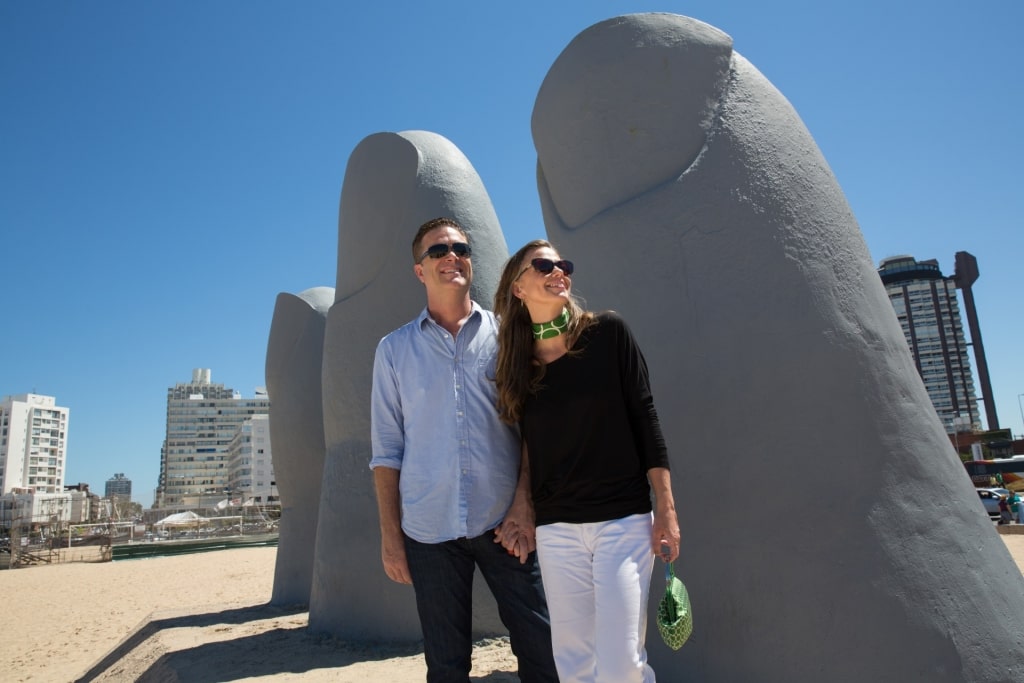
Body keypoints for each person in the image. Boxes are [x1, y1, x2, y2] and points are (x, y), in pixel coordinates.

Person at [369, 218, 558, 683]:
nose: (451, 256)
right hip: (428, 532)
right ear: (419, 270)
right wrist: (392, 538)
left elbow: (534, 429)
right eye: (437, 251)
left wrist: (524, 504)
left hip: (505, 524)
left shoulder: (508, 337)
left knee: (544, 651)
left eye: (460, 248)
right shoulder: (392, 351)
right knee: (447, 665)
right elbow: (386, 451)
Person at [492, 239, 681, 683]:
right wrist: (524, 504)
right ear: (518, 288)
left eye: (564, 264)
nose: (558, 270)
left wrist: (666, 507)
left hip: (623, 520)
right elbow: (530, 447)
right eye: (543, 264)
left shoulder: (608, 333)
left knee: (621, 665)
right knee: (574, 666)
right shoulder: (519, 366)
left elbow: (645, 417)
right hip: (557, 530)